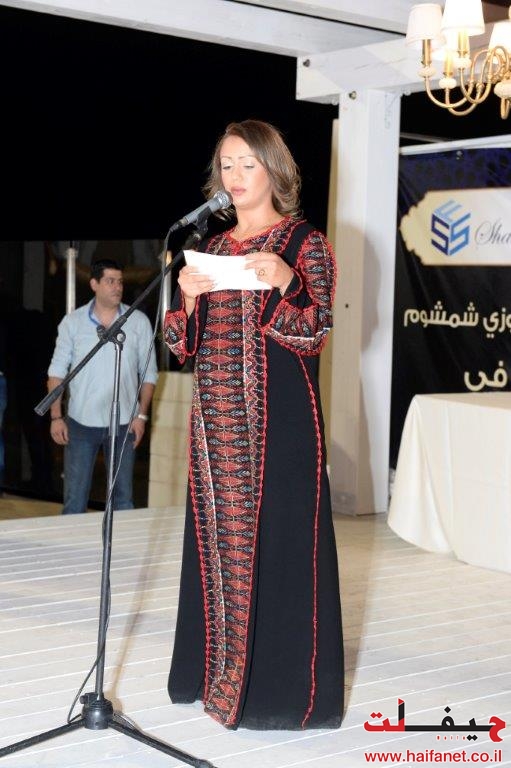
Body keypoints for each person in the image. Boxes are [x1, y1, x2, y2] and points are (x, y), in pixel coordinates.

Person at [163, 119, 343, 730]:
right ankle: (211, 673)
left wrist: (287, 281)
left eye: (247, 164)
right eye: (226, 165)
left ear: (274, 168)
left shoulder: (304, 243)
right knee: (217, 549)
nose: (235, 176)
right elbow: (182, 345)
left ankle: (275, 694)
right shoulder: (210, 249)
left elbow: (315, 332)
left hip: (280, 427)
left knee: (278, 548)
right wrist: (187, 300)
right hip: (215, 428)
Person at [47, 258, 158, 514]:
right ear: (94, 284)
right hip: (81, 424)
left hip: (124, 424)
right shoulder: (73, 323)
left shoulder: (138, 321)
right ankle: (73, 541)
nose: (117, 287)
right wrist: (56, 417)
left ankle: (120, 541)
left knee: (123, 499)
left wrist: (141, 416)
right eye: (110, 281)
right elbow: (56, 372)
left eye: (120, 281)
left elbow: (149, 373)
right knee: (75, 500)